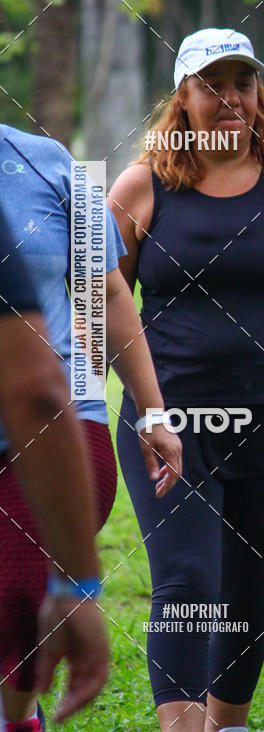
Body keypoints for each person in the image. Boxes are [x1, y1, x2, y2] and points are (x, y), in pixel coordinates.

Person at [108, 27, 264, 732]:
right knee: (188, 582)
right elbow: (99, 301)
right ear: (183, 97)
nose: (230, 99)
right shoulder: (143, 184)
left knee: (249, 595)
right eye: (211, 85)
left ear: (260, 92)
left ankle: (230, 723)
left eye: (242, 83)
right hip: (170, 423)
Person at [0, 125, 182, 731]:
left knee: (15, 620)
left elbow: (105, 292)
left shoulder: (48, 162)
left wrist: (152, 413)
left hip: (57, 428)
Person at [0, 202, 108, 729]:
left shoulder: (58, 168)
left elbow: (101, 294)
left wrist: (142, 408)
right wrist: (77, 588)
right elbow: (35, 393)